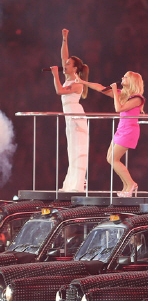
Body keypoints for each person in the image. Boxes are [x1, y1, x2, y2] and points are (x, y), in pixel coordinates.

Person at [76, 72, 145, 197]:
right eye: (122, 76)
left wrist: (114, 91)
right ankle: (126, 186)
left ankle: (131, 184)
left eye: (125, 77)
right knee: (110, 158)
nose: (122, 78)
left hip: (129, 130)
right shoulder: (123, 95)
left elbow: (119, 109)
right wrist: (83, 82)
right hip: (121, 129)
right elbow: (100, 88)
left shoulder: (137, 98)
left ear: (133, 81)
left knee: (114, 159)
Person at [50, 29, 89, 192]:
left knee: (77, 148)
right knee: (71, 148)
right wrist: (65, 38)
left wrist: (54, 75)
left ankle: (79, 182)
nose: (64, 65)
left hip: (76, 116)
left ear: (75, 69)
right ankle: (72, 181)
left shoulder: (77, 82)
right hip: (69, 116)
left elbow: (60, 91)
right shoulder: (69, 77)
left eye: (68, 65)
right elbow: (64, 56)